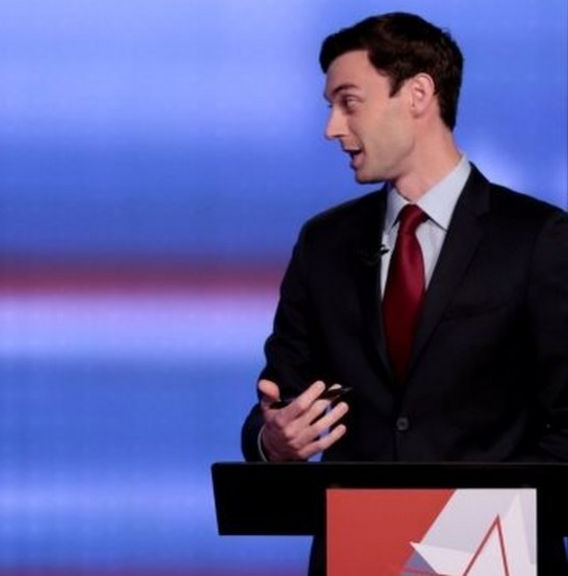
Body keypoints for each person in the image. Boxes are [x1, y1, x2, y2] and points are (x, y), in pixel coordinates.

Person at [239, 12, 567, 572]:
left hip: (498, 558)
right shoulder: (325, 244)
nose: (332, 129)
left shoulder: (539, 238)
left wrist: (446, 544)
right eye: (329, 106)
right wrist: (275, 444)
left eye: (349, 102)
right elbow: (279, 401)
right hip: (356, 556)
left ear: (417, 94)